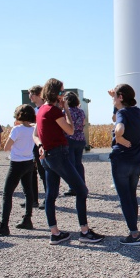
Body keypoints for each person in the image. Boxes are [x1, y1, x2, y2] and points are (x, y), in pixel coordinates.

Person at [33, 78, 104, 245]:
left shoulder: (41, 109)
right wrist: (66, 109)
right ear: (55, 93)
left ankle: (55, 232)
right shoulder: (54, 111)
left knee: (51, 195)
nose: (63, 95)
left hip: (47, 156)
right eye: (61, 92)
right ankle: (84, 231)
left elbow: (35, 134)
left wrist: (41, 145)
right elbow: (70, 130)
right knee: (81, 190)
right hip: (59, 155)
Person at [0, 105, 37, 236]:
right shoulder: (34, 128)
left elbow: (6, 147)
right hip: (29, 162)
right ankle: (27, 219)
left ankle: (4, 225)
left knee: (7, 193)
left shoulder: (17, 129)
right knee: (28, 191)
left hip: (16, 164)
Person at [109, 84, 140, 245]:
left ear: (121, 97)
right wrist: (115, 103)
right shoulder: (137, 111)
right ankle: (134, 228)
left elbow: (119, 127)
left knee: (124, 198)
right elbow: (117, 118)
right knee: (131, 195)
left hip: (122, 160)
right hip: (136, 160)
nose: (113, 99)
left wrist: (119, 138)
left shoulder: (123, 113)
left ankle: (134, 234)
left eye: (115, 96)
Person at [23, 85, 46, 209]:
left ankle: (48, 199)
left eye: (31, 94)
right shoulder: (35, 109)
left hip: (42, 144)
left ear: (37, 94)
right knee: (32, 172)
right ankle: (33, 199)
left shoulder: (45, 108)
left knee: (43, 172)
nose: (29, 97)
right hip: (33, 145)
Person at [63, 91, 86, 197]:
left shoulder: (65, 112)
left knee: (71, 165)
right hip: (80, 138)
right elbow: (83, 123)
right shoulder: (81, 111)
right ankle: (82, 184)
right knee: (78, 163)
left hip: (70, 139)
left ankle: (74, 187)